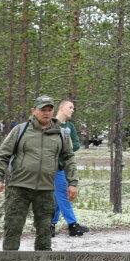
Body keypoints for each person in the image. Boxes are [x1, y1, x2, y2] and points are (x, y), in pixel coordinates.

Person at [0, 95, 77, 261]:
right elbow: (3, 155)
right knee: (13, 226)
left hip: (46, 189)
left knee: (45, 228)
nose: (46, 113)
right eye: (42, 109)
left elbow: (69, 158)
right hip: (18, 188)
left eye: (49, 110)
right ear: (33, 111)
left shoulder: (61, 133)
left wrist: (73, 183)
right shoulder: (20, 130)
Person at [50, 99, 89, 237]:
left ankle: (51, 224)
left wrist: (65, 148)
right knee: (63, 194)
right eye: (70, 107)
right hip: (51, 167)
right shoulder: (51, 123)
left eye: (73, 107)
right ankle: (73, 225)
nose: (72, 110)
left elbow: (76, 145)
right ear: (61, 108)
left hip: (64, 166)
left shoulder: (70, 126)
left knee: (59, 196)